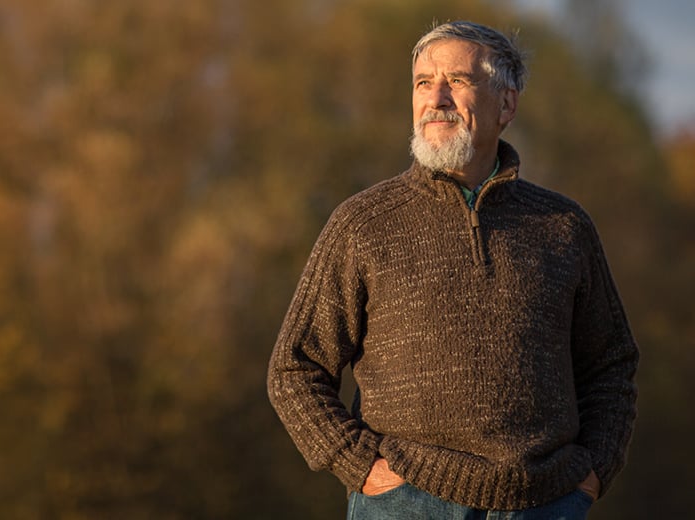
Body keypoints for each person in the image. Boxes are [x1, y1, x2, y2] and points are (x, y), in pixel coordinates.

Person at [266, 21, 638, 519]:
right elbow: (295, 367)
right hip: (403, 501)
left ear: (507, 104)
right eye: (424, 82)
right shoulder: (363, 223)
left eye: (457, 81)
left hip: (544, 502)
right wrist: (360, 465)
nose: (436, 99)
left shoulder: (564, 226)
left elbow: (611, 364)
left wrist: (594, 472)